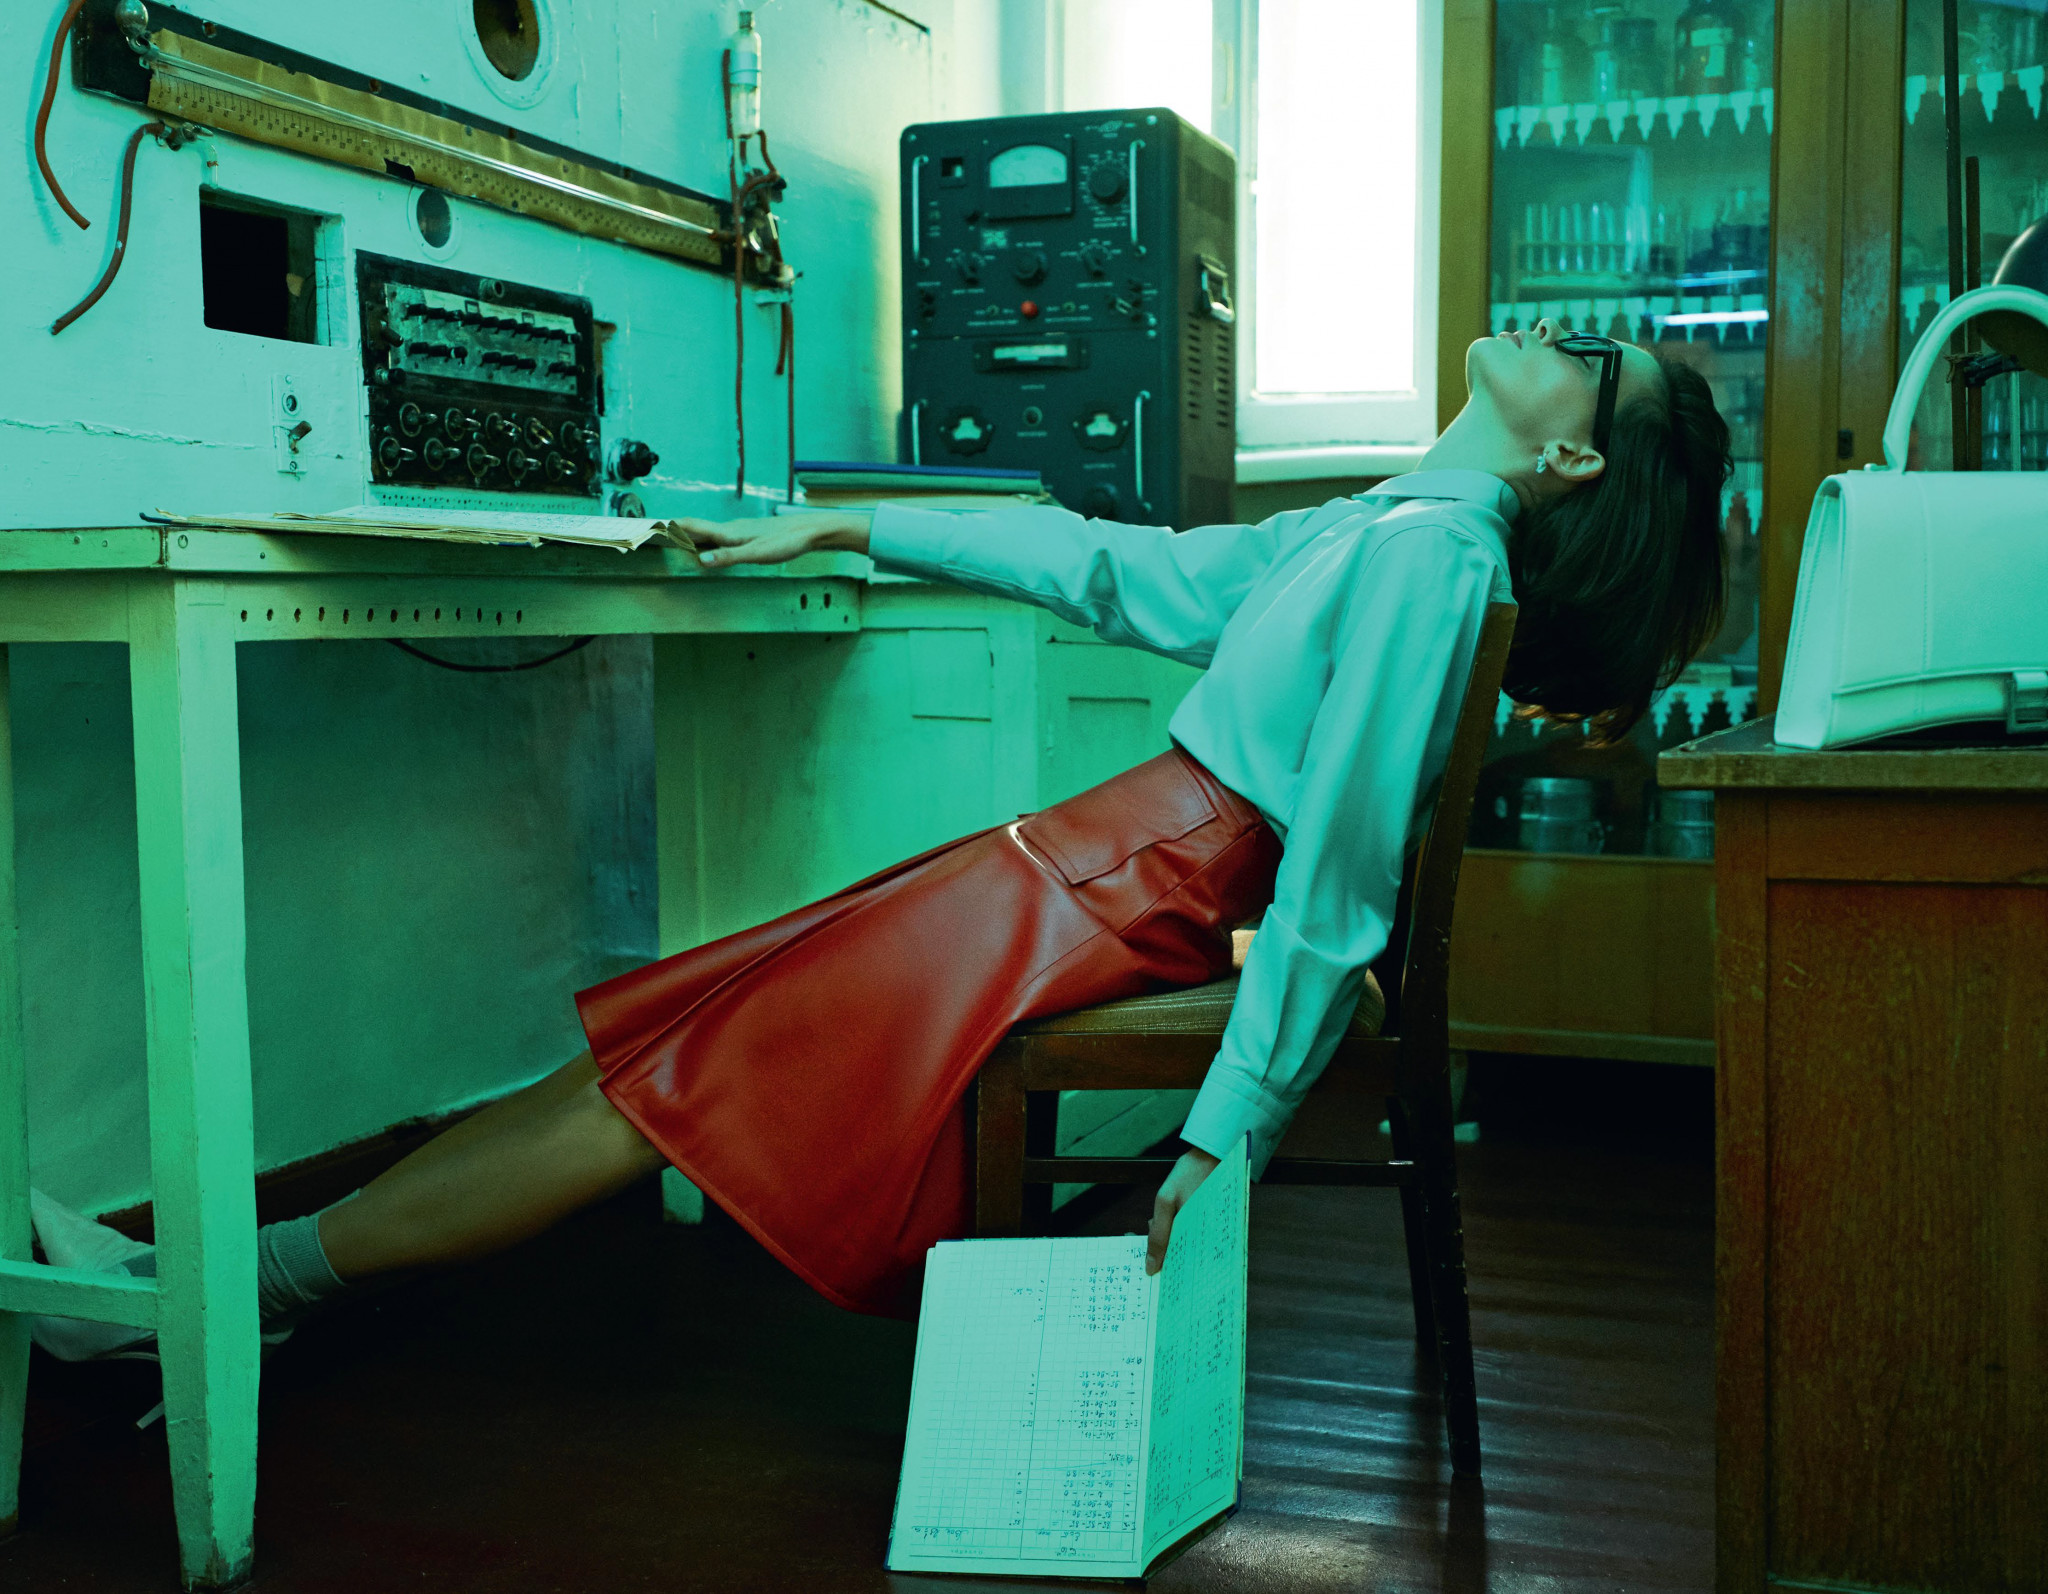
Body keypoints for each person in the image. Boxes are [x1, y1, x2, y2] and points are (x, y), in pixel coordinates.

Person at [31, 320, 1729, 1356]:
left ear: (1574, 446)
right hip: (1084, 867)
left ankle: (229, 1292)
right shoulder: (1394, 526)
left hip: (1117, 888)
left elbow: (1340, 884)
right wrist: (852, 523)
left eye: (1592, 356)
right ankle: (226, 1279)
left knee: (666, 1085)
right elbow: (1116, 569)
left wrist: (1227, 1135)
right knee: (665, 1043)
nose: (1554, 329)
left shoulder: (1433, 560)